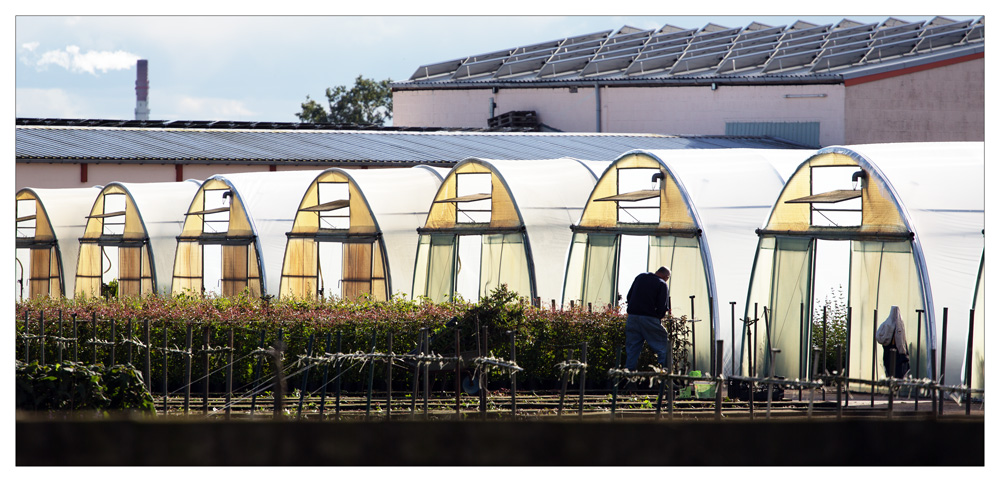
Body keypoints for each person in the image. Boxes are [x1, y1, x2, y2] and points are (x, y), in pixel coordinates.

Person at [623, 266, 672, 371]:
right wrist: (657, 318)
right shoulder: (662, 284)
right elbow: (661, 307)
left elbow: (629, 296)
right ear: (666, 276)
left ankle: (629, 377)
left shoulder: (640, 277)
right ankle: (666, 375)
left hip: (632, 318)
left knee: (632, 349)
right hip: (649, 318)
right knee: (663, 346)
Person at [876, 306, 910, 378]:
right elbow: (901, 340)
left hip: (888, 351)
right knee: (897, 371)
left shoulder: (886, 324)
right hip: (896, 353)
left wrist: (886, 342)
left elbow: (878, 336)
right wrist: (903, 352)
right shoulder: (899, 326)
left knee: (889, 369)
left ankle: (891, 383)